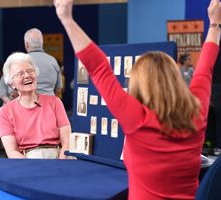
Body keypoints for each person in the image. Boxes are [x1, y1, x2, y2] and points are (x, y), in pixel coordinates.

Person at [54, 0, 221, 199]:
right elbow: (205, 67)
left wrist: (67, 19)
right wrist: (214, 23)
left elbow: (98, 67)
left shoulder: (136, 118)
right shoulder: (197, 112)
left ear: (138, 83)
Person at [0, 52, 71, 159]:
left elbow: (67, 141)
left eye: (30, 71)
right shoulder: (5, 111)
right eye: (20, 74)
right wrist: (31, 169)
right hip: (26, 161)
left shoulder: (55, 102)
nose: (27, 76)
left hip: (58, 157)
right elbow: (12, 151)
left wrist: (60, 165)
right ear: (11, 84)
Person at [24, 28, 63, 96]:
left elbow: (13, 90)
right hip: (50, 103)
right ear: (42, 43)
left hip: (28, 104)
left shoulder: (21, 61)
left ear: (27, 44)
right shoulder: (53, 61)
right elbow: (59, 88)